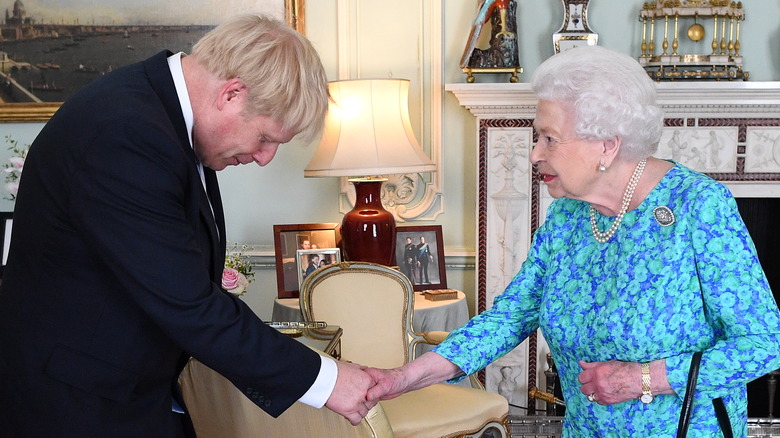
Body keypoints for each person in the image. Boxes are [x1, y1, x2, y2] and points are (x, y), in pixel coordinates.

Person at [366, 45, 780, 436]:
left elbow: (765, 342)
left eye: (549, 138)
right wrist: (405, 377)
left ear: (607, 145)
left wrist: (643, 378)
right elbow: (510, 317)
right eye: (536, 137)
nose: (533, 154)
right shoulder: (568, 214)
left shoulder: (698, 206)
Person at [0, 15, 376, 438]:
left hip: (125, 391)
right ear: (232, 94)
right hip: (74, 405)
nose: (265, 157)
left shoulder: (163, 118)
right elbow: (190, 303)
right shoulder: (125, 133)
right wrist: (328, 381)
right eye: (266, 138)